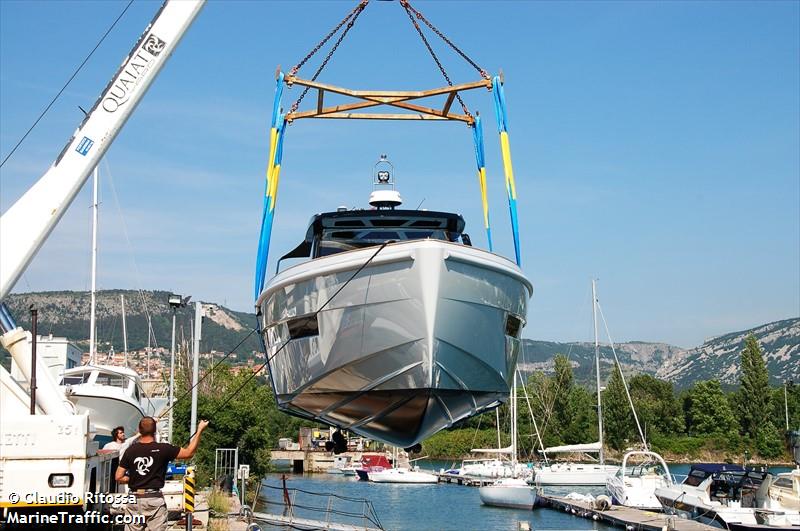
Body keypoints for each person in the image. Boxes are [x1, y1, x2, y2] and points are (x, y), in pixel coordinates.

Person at [115, 417, 209, 531]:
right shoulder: (164, 449)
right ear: (155, 430)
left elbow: (118, 476)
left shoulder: (130, 450)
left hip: (134, 500)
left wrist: (136, 478)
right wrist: (199, 430)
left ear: (139, 430)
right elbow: (189, 452)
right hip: (154, 499)